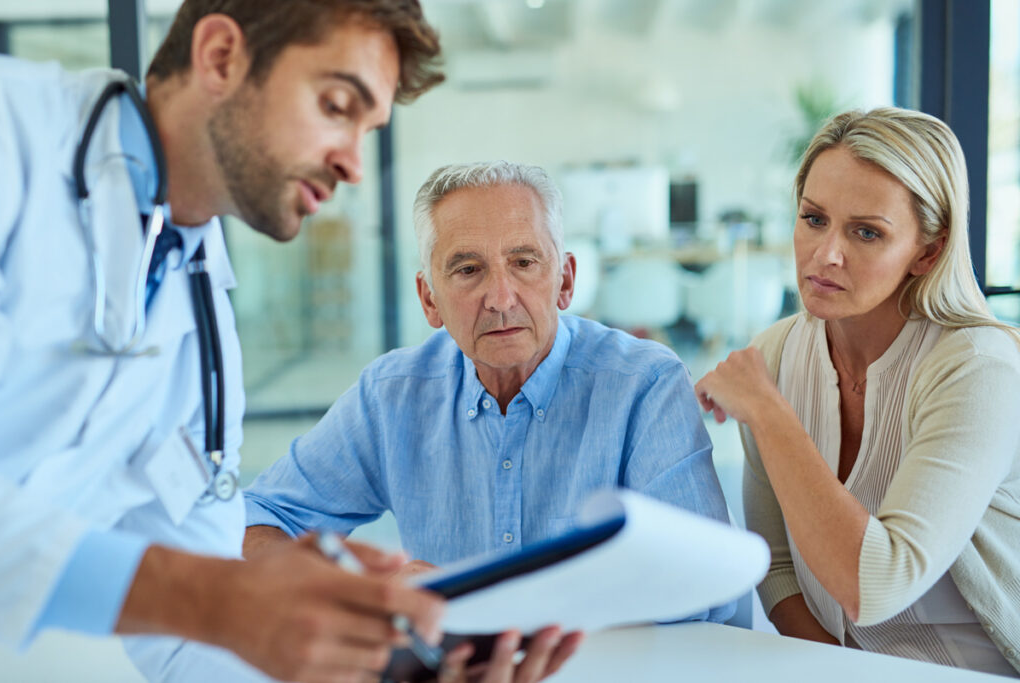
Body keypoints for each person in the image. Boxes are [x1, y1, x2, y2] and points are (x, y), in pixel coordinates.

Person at [0, 2, 451, 682]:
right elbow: (205, 600)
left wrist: (363, 659)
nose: (355, 164)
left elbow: (190, 646)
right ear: (219, 57)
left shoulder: (204, 340)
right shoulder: (13, 133)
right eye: (336, 105)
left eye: (370, 129)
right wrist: (215, 598)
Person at [242, 161, 735, 652]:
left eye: (524, 262)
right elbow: (256, 516)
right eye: (468, 269)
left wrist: (531, 611)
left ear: (565, 281)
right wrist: (356, 587)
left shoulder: (645, 384)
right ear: (428, 299)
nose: (500, 298)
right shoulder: (392, 394)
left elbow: (706, 591)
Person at [695, 107, 1020, 676]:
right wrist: (841, 671)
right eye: (813, 219)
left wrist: (769, 414)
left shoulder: (978, 370)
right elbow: (774, 567)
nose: (827, 255)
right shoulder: (774, 354)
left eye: (867, 232)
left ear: (928, 252)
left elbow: (877, 585)